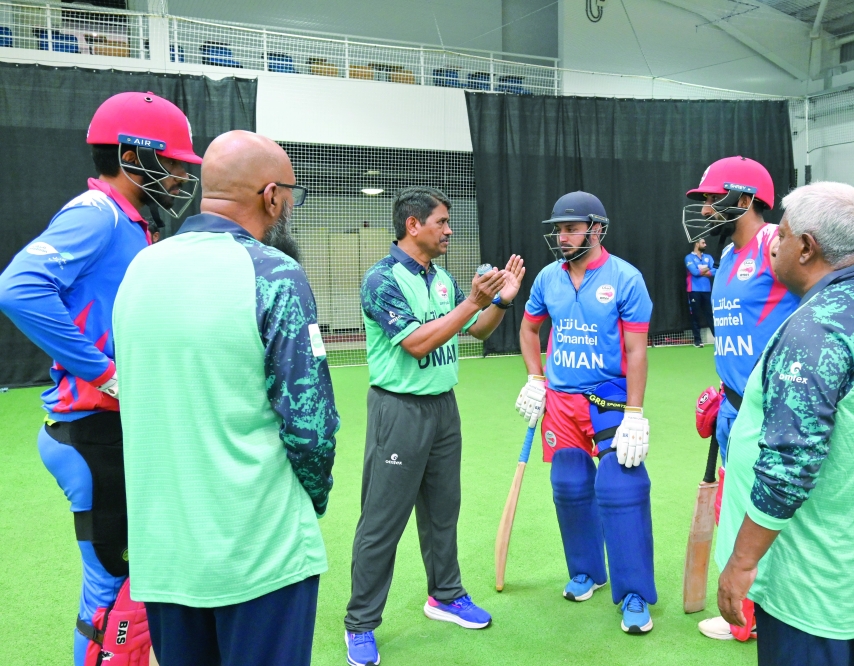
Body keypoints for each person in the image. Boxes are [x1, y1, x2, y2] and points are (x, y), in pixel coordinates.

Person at [112, 130, 339, 666]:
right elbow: (310, 427)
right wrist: (316, 496)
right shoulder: (274, 273)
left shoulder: (141, 268)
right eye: (291, 192)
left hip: (163, 550)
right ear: (271, 196)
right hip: (258, 550)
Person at [0, 91, 200, 666]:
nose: (182, 173)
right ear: (135, 155)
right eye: (174, 161)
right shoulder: (97, 214)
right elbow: (19, 289)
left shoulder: (133, 222)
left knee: (131, 589)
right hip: (89, 433)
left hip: (109, 432)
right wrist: (106, 374)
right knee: (110, 594)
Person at [715, 182, 854, 666]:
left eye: (785, 234)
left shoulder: (820, 326)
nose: (775, 242)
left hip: (811, 592)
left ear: (807, 247)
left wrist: (741, 562)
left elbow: (789, 466)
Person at [344, 186, 525, 666]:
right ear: (413, 225)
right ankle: (360, 623)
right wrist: (472, 301)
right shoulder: (381, 280)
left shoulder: (441, 278)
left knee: (444, 511)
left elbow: (475, 332)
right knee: (382, 521)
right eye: (442, 222)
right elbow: (418, 343)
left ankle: (445, 595)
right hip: (398, 412)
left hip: (443, 409)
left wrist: (500, 302)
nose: (450, 230)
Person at [516, 191, 656, 634]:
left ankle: (634, 592)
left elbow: (636, 350)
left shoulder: (626, 278)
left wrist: (634, 411)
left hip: (610, 397)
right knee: (570, 485)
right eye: (558, 228)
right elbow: (528, 329)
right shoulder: (547, 279)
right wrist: (536, 378)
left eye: (571, 228)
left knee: (620, 489)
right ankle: (587, 572)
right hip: (560, 399)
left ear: (597, 229)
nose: (562, 236)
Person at [682, 156, 801, 642]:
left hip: (770, 408)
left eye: (714, 198)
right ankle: (747, 614)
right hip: (733, 406)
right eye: (705, 200)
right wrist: (723, 387)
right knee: (734, 508)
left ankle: (754, 617)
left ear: (746, 200)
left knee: (763, 510)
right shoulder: (727, 257)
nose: (707, 208)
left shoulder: (777, 243)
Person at [684, 238, 716, 347]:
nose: (705, 244)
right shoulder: (689, 257)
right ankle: (697, 341)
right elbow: (694, 272)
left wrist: (701, 271)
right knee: (695, 315)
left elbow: (715, 270)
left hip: (707, 290)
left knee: (710, 315)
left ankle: (717, 339)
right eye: (703, 243)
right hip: (693, 290)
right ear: (697, 244)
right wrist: (707, 270)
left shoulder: (708, 257)